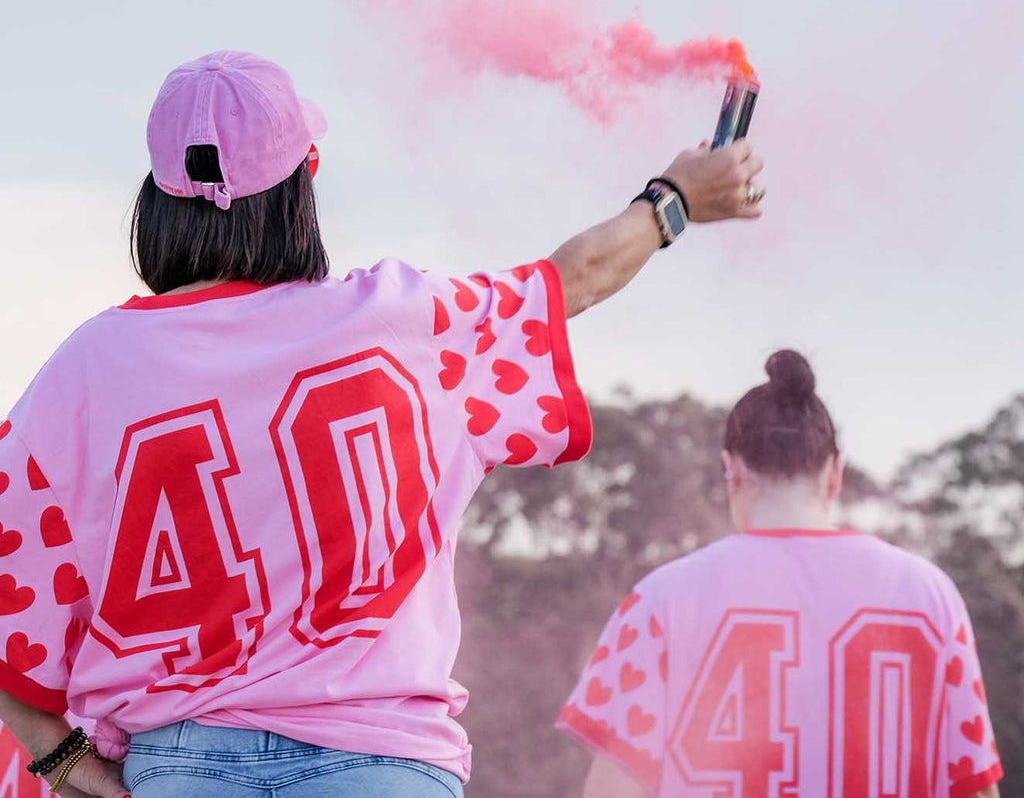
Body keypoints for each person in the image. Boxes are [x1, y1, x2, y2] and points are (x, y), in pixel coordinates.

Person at [0, 49, 764, 797]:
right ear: (303, 181)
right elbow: (577, 279)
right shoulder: (395, 326)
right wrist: (674, 201)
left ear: (157, 197)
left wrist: (63, 760)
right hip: (383, 767)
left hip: (180, 769)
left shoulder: (85, 371)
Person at [558, 350, 1002, 798]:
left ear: (731, 471)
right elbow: (975, 787)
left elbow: (614, 790)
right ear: (835, 474)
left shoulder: (658, 601)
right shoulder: (929, 595)